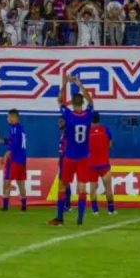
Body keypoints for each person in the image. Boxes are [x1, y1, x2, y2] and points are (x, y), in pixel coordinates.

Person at [49, 75, 94, 226]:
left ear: (73, 104)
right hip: (83, 157)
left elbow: (59, 101)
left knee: (62, 185)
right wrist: (79, 84)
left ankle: (60, 218)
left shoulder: (68, 115)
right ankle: (80, 219)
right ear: (82, 103)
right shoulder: (88, 115)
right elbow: (91, 101)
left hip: (69, 156)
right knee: (82, 188)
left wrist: (64, 84)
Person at [0, 109, 27, 212]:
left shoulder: (14, 128)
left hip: (14, 158)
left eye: (8, 116)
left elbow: (14, 144)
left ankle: (5, 205)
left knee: (7, 181)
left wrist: (6, 154)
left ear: (13, 117)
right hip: (22, 159)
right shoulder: (20, 128)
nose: (7, 118)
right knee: (20, 182)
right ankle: (24, 205)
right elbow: (9, 141)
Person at [88, 112, 114, 215]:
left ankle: (95, 210)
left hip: (92, 165)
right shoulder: (105, 129)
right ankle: (111, 210)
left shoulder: (87, 132)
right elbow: (110, 145)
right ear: (99, 119)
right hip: (104, 163)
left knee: (92, 188)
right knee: (108, 187)